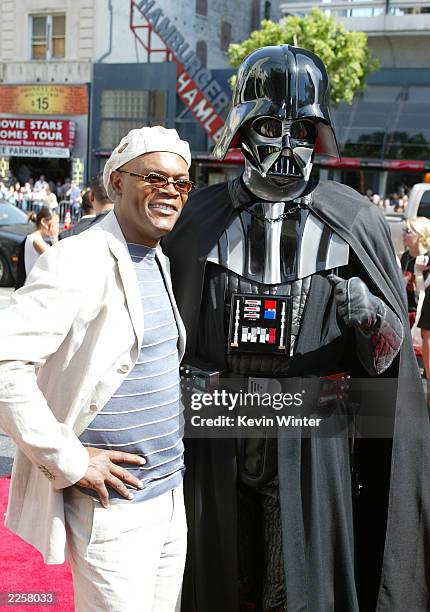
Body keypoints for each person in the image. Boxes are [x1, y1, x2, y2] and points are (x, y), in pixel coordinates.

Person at [164, 45, 430, 611]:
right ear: (242, 130)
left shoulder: (352, 218)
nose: (286, 146)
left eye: (301, 129)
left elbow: (387, 368)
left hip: (311, 437)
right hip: (219, 430)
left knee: (297, 583)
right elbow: (162, 331)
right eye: (269, 127)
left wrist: (371, 318)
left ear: (320, 134)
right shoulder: (199, 219)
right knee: (223, 576)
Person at [0, 125, 193, 612]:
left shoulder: (157, 260)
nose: (170, 191)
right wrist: (71, 459)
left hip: (169, 498)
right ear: (117, 183)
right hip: (113, 512)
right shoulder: (77, 260)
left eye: (181, 183)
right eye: (155, 177)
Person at [15, 206, 59, 289]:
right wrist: (54, 237)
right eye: (53, 224)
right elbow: (56, 259)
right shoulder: (36, 240)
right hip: (32, 288)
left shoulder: (36, 238)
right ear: (43, 222)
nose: (55, 227)